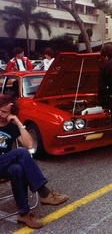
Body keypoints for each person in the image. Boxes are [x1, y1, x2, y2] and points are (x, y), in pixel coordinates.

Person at [0, 94, 69, 229]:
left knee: (17, 169)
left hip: (3, 165)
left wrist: (19, 123)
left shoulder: (12, 127)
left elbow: (30, 145)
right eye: (0, 110)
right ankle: (44, 192)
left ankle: (24, 213)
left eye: (4, 112)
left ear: (11, 113)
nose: (0, 114)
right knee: (20, 153)